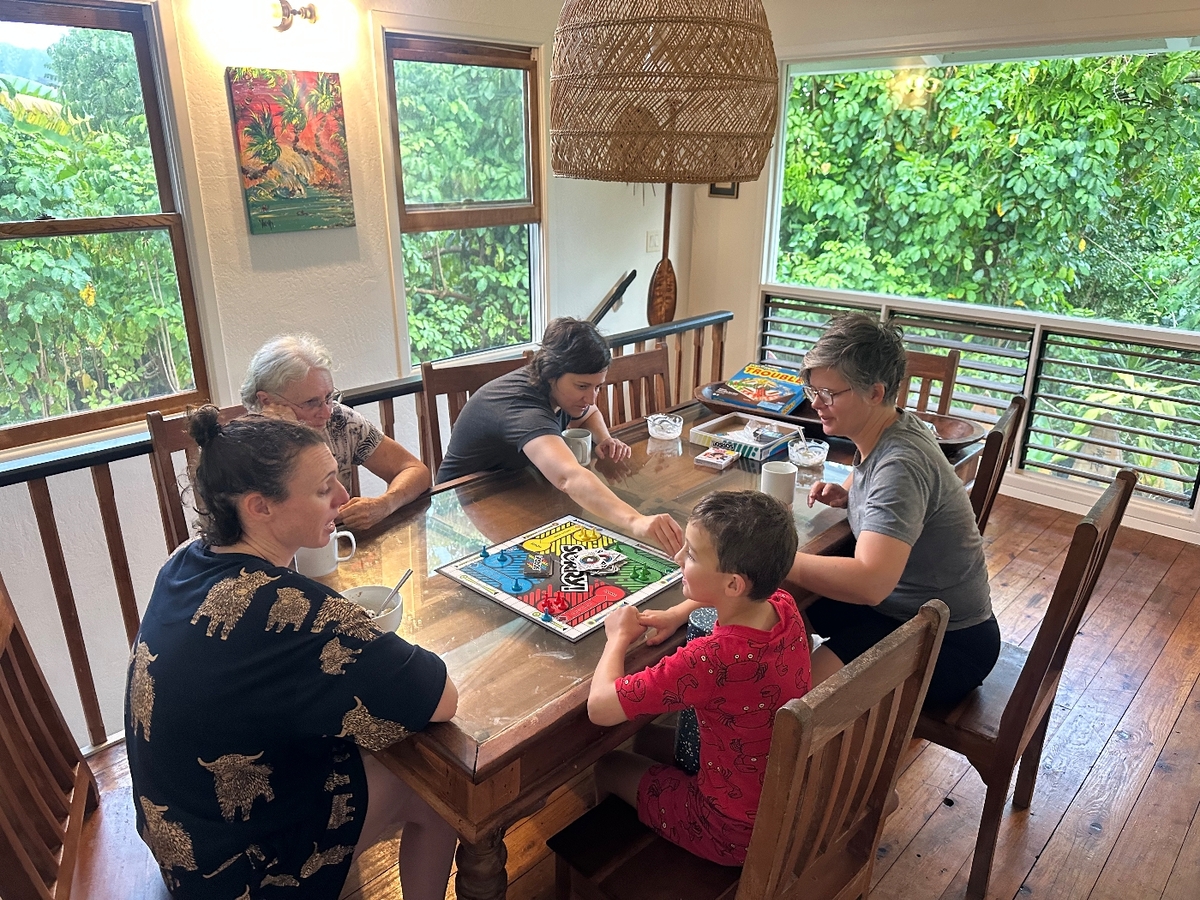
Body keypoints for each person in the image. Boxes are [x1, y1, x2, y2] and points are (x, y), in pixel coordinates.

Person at [125, 409, 458, 900]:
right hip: (233, 875)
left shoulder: (183, 560)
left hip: (182, 835)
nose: (343, 497)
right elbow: (441, 699)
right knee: (437, 787)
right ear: (260, 506)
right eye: (324, 489)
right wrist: (353, 633)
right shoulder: (296, 614)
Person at [586, 490, 810, 866]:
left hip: (727, 831)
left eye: (690, 554)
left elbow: (600, 708)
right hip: (779, 797)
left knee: (609, 765)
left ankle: (619, 863)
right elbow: (731, 596)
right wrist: (678, 612)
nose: (678, 558)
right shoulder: (783, 606)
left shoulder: (711, 659)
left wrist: (618, 638)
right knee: (646, 738)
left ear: (733, 584)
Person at [787, 312, 998, 707]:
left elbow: (870, 582)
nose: (815, 403)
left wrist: (780, 560)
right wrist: (847, 493)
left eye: (828, 394)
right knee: (779, 613)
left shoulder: (901, 463)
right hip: (901, 609)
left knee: (794, 701)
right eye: (812, 389)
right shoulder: (889, 426)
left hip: (946, 640)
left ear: (875, 393)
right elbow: (871, 472)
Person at [435, 317, 684, 555]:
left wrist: (604, 438)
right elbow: (568, 478)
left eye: (597, 387)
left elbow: (589, 412)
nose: (591, 398)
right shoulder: (523, 407)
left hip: (511, 488)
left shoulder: (558, 392)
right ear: (551, 374)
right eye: (582, 386)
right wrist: (635, 521)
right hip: (457, 508)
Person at [241, 334, 430, 530]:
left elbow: (415, 470)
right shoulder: (243, 448)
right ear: (267, 401)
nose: (326, 412)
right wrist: (286, 435)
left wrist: (385, 504)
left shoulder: (340, 420)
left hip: (338, 540)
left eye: (329, 397)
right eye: (311, 402)